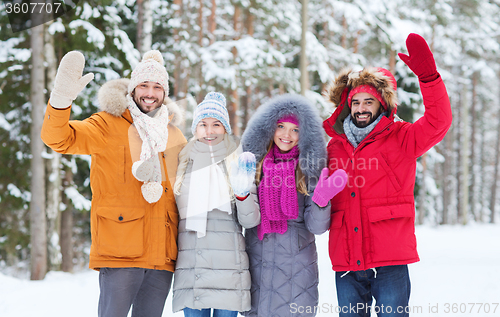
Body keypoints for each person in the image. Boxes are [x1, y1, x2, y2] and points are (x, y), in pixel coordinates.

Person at [41, 50, 186, 317]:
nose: (150, 93)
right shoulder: (107, 124)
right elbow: (59, 139)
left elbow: (187, 189)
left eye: (157, 87)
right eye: (143, 85)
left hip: (162, 256)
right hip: (121, 250)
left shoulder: (174, 135)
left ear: (165, 93)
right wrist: (61, 101)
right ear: (132, 89)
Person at [322, 33, 453, 316]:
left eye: (368, 102)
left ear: (382, 104)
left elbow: (438, 122)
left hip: (389, 257)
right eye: (356, 103)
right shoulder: (334, 147)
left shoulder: (402, 137)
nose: (361, 108)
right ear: (347, 106)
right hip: (347, 260)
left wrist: (429, 79)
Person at [241, 94, 347, 316]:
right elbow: (245, 217)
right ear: (269, 127)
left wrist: (321, 201)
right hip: (256, 264)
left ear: (304, 135)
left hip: (296, 272)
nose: (286, 134)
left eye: (295, 129)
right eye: (281, 126)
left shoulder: (309, 171)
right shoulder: (254, 166)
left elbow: (316, 227)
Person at [171, 92, 261, 317]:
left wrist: (242, 194)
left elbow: (250, 221)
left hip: (228, 270)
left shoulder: (237, 161)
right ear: (195, 128)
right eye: (203, 124)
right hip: (192, 270)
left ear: (225, 128)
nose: (209, 131)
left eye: (216, 124)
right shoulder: (182, 161)